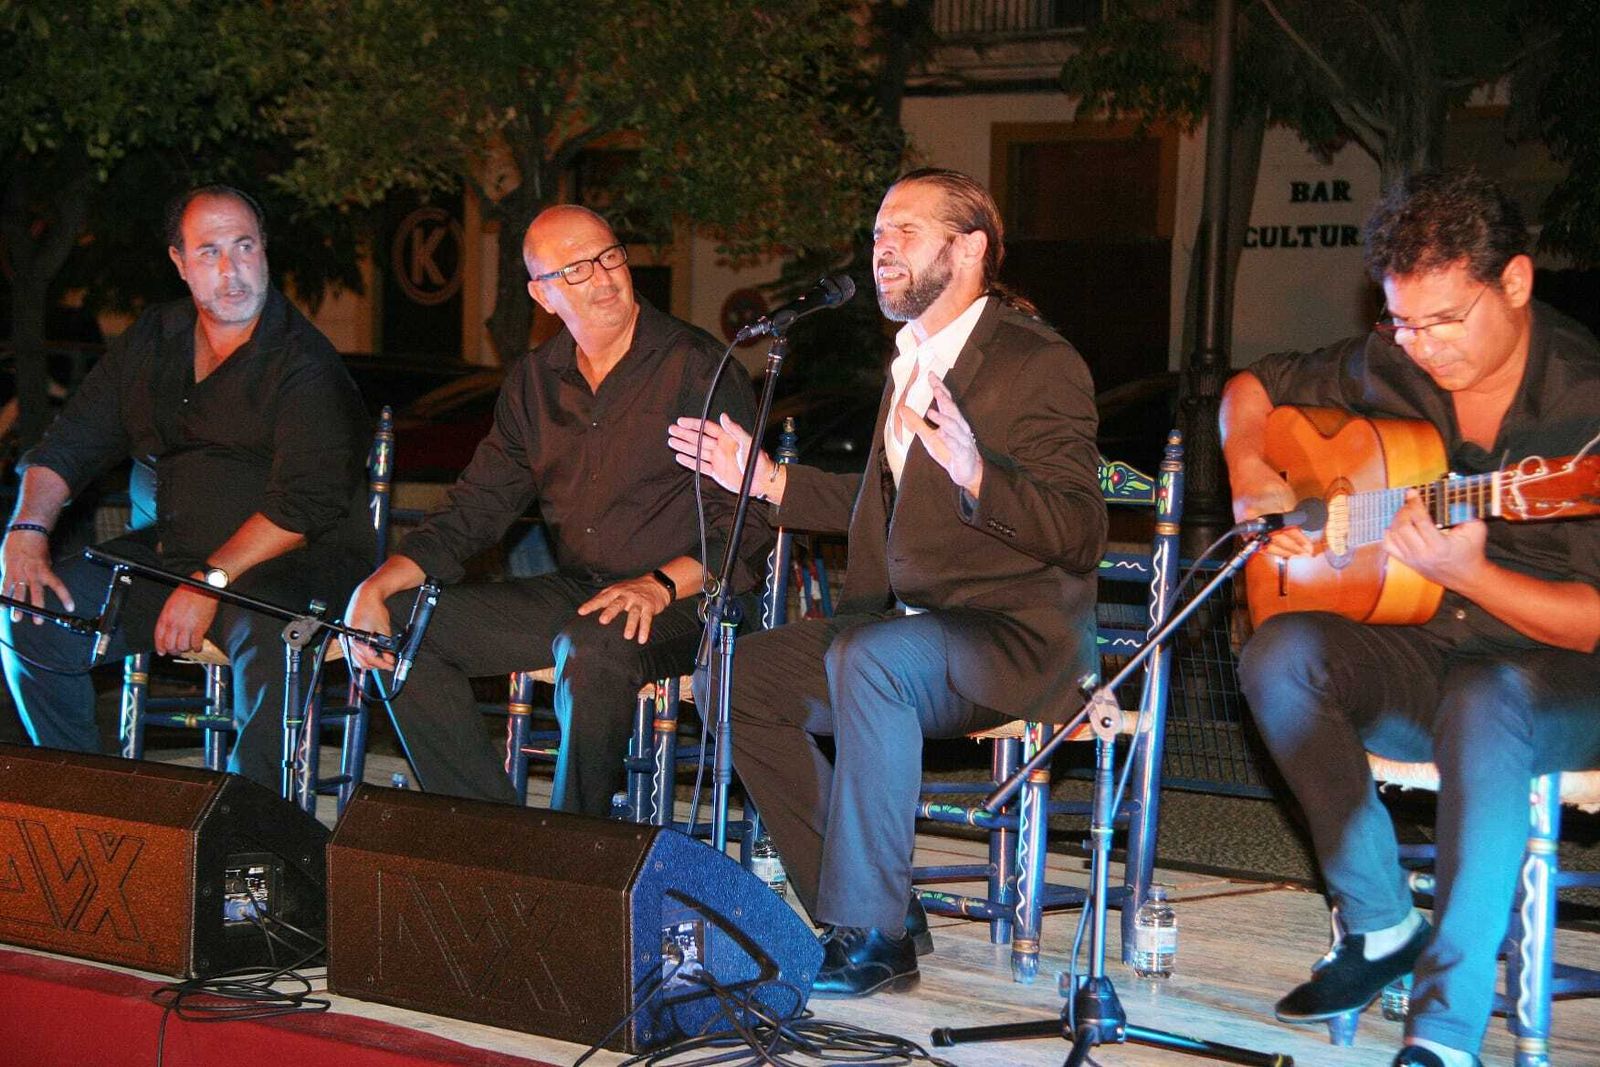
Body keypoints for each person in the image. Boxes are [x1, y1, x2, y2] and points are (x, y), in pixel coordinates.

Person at [667, 168, 1107, 997]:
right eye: (876, 233)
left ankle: (874, 936)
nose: (882, 247)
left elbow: (1081, 531)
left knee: (872, 659)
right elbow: (886, 505)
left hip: (1011, 637)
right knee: (733, 676)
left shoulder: (1035, 360)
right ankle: (875, 905)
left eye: (906, 230)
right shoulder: (910, 358)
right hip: (902, 635)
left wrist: (979, 473)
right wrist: (765, 480)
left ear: (969, 248)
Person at [1221, 170, 1600, 1067]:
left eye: (1444, 322)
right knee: (1279, 653)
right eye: (1401, 322)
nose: (1421, 347)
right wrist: (1250, 471)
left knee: (1487, 698)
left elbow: (1591, 623)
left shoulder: (1583, 402)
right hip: (1429, 649)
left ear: (1515, 281)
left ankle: (1445, 1030)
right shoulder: (1389, 359)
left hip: (1560, 679)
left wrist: (1473, 574)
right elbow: (1251, 387)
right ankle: (1381, 920)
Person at [346, 204, 762, 817]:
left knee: (590, 646)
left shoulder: (697, 367)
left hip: (690, 598)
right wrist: (377, 587)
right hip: (584, 589)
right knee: (404, 627)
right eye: (576, 269)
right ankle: (493, 833)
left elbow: (746, 525)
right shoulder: (535, 382)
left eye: (609, 256)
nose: (603, 277)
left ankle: (573, 848)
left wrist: (657, 585)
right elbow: (475, 508)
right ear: (542, 295)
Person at [0, 184, 374, 788]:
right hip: (171, 557)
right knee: (31, 613)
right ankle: (88, 799)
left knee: (272, 633)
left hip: (290, 565)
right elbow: (71, 441)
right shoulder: (157, 336)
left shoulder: (304, 363)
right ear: (179, 262)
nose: (231, 271)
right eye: (209, 252)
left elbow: (304, 506)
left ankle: (249, 822)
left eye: (244, 247)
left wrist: (208, 582)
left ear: (264, 250)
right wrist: (26, 528)